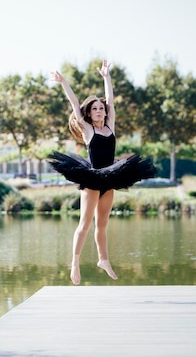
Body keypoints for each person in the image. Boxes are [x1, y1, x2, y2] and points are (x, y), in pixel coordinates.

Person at [49, 60, 156, 285]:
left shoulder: (110, 126)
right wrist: (63, 82)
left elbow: (111, 101)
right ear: (89, 113)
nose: (99, 110)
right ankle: (75, 263)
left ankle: (103, 260)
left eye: (101, 108)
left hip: (111, 177)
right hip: (91, 178)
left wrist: (106, 77)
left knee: (102, 224)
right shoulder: (88, 130)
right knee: (85, 224)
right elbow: (75, 104)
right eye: (94, 108)